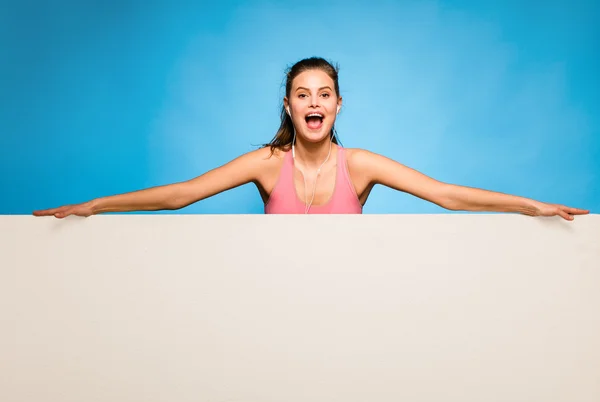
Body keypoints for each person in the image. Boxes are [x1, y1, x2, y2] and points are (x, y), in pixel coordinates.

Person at [33, 57, 589, 220]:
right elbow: (182, 193)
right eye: (303, 93)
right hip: (276, 309)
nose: (314, 102)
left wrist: (527, 205)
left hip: (347, 311)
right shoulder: (265, 163)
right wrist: (95, 206)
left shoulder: (361, 165)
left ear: (338, 104)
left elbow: (444, 193)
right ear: (289, 105)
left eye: (324, 93)